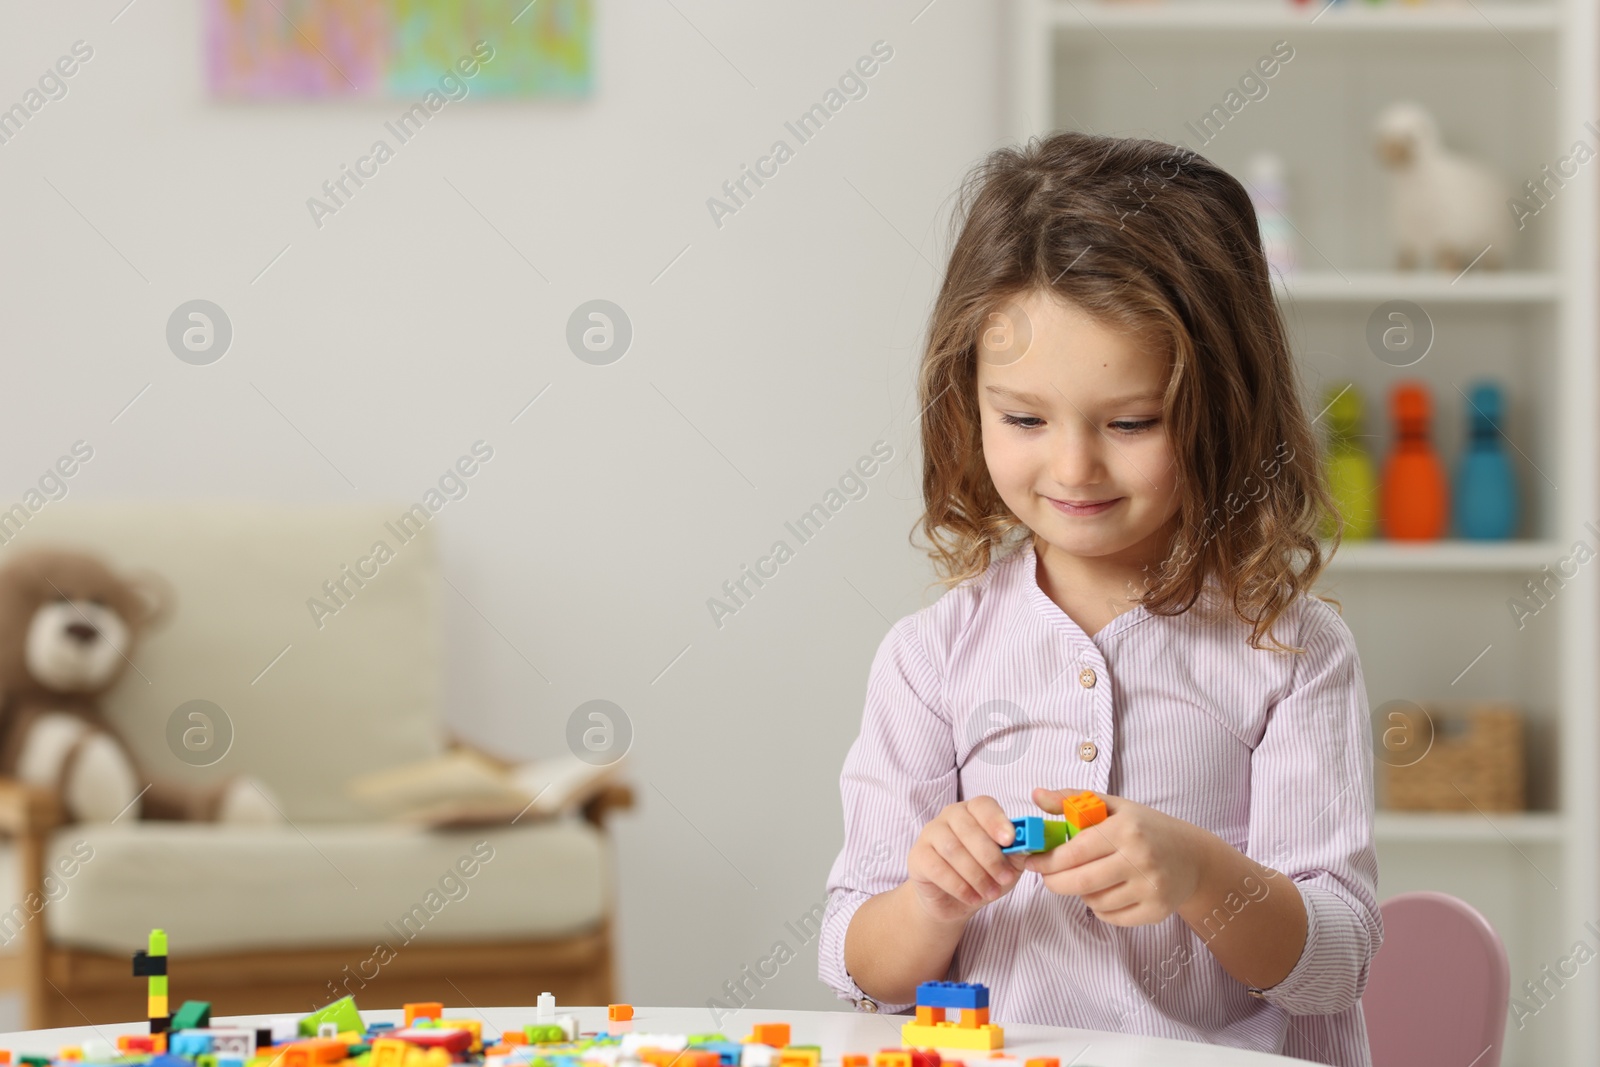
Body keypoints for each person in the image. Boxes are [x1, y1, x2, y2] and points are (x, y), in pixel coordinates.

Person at [817, 130, 1381, 1067]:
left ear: (1221, 405)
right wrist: (928, 902)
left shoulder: (1289, 649)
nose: (1073, 465)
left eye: (1130, 421)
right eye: (1024, 418)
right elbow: (859, 966)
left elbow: (1337, 963)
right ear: (968, 404)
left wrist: (1201, 874)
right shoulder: (931, 659)